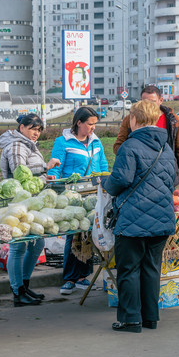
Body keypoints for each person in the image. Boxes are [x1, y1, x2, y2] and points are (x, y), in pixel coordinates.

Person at [102, 101, 178, 332]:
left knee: (129, 270)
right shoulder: (166, 147)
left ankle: (130, 320)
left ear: (134, 119)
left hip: (133, 219)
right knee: (151, 269)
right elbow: (173, 181)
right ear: (155, 120)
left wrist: (105, 183)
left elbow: (121, 181)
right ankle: (150, 318)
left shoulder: (130, 146)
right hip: (163, 218)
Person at [47, 106, 110, 295]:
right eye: (90, 124)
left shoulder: (96, 142)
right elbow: (56, 166)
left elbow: (104, 165)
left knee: (89, 233)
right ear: (78, 123)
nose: (93, 128)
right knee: (73, 235)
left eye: (95, 124)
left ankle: (84, 276)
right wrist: (52, 177)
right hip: (73, 195)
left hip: (93, 193)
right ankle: (69, 278)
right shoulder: (63, 141)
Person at [0, 114, 57, 306]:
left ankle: (25, 284)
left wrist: (44, 175)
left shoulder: (29, 145)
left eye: (39, 130)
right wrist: (45, 171)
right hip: (18, 204)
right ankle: (18, 291)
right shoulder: (16, 146)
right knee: (18, 246)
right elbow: (21, 178)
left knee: (37, 244)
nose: (36, 133)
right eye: (33, 128)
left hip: (30, 202)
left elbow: (34, 174)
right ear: (21, 127)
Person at [113, 85, 179, 182]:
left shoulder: (173, 120)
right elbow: (118, 145)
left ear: (161, 100)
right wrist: (131, 157)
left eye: (152, 102)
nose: (148, 105)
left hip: (167, 175)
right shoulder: (130, 119)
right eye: (144, 102)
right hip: (139, 176)